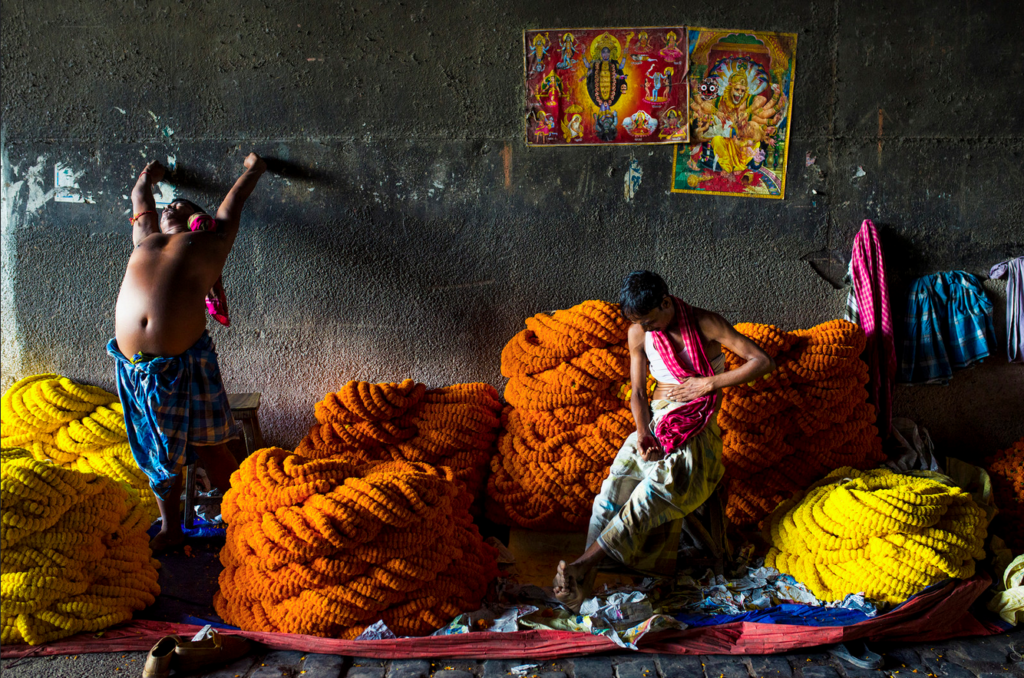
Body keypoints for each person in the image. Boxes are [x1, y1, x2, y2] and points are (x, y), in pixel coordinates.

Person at [553, 270, 776, 610]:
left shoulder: (706, 323)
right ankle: (586, 581)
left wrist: (708, 384)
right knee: (614, 487)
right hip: (657, 420)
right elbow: (639, 393)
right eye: (639, 323)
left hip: (698, 423)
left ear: (667, 302)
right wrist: (642, 432)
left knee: (655, 488)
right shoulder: (638, 334)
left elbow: (763, 361)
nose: (647, 329)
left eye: (651, 320)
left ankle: (585, 564)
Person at [108, 152, 267, 552]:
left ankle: (250, 517)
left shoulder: (210, 242)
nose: (172, 207)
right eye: (167, 206)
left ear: (201, 218)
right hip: (135, 368)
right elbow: (140, 196)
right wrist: (151, 173)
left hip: (187, 362)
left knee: (211, 445)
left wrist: (253, 170)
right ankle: (171, 526)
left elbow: (235, 203)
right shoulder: (146, 238)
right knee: (159, 453)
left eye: (183, 205)